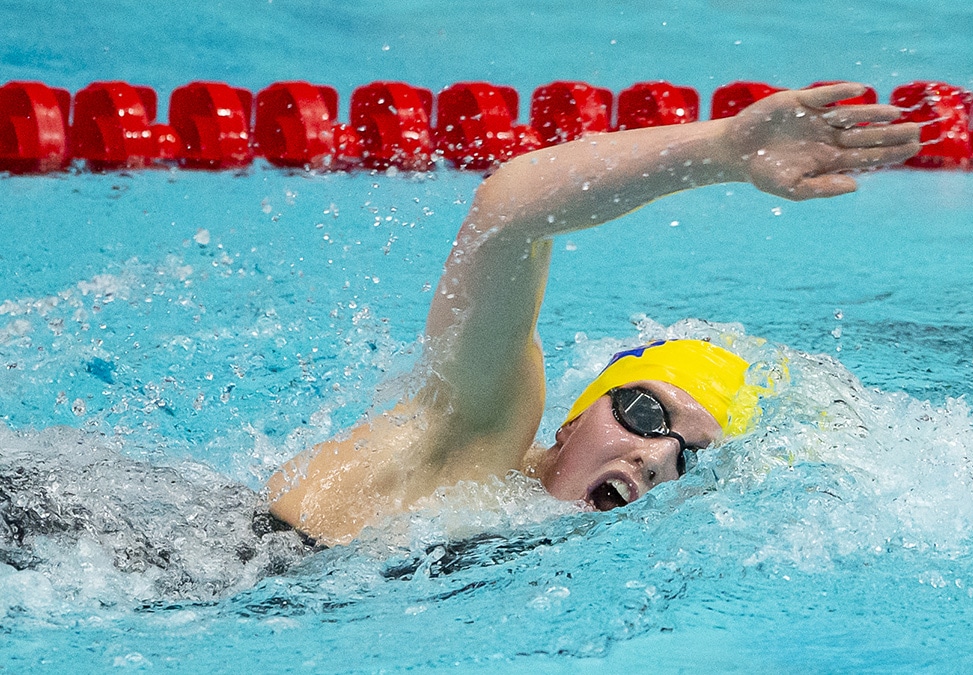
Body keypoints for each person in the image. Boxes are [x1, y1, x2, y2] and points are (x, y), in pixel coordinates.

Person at [267, 83, 920, 546]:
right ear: (573, 419)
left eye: (690, 456)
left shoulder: (536, 543)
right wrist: (721, 150)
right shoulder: (474, 439)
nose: (657, 456)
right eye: (646, 412)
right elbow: (508, 214)